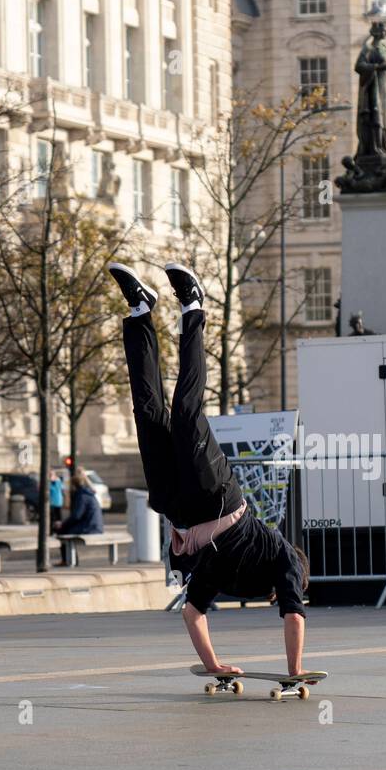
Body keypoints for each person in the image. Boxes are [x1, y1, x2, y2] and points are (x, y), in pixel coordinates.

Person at [109, 261, 308, 678]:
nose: (277, 599)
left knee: (147, 414)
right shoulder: (286, 560)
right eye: (281, 595)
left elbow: (192, 613)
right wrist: (294, 671)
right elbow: (294, 618)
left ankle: (141, 312)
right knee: (185, 413)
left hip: (177, 507)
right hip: (217, 498)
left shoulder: (223, 572)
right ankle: (193, 306)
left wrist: (214, 665)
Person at [55, 468, 103, 537]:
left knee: (62, 530)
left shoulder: (82, 496)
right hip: (96, 527)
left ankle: (68, 547)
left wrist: (62, 524)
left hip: (90, 528)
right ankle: (69, 547)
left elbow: (77, 516)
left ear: (74, 486)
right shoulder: (87, 493)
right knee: (65, 528)